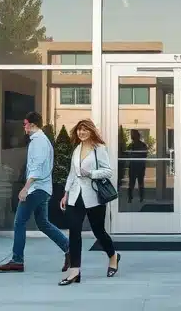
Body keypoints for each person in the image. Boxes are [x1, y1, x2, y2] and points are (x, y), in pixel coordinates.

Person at [0, 111, 70, 273]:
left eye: (25, 124)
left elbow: (36, 167)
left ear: (32, 125)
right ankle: (70, 249)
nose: (24, 127)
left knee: (19, 222)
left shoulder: (39, 142)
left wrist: (26, 188)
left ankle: (17, 260)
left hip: (36, 189)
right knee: (43, 223)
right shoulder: (41, 140)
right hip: (42, 189)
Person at [58, 119, 120, 286]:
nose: (82, 132)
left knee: (98, 231)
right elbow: (72, 173)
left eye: (85, 129)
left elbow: (108, 172)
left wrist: (91, 173)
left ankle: (113, 256)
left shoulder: (99, 149)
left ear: (91, 131)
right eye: (79, 129)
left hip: (94, 196)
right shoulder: (77, 149)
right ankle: (74, 271)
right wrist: (65, 194)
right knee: (74, 231)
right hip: (75, 195)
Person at [126, 129, 148, 202]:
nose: (132, 137)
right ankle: (130, 198)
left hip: (139, 166)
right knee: (132, 183)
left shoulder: (142, 145)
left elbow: (144, 154)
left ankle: (140, 197)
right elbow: (127, 154)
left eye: (133, 135)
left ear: (137, 136)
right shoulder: (131, 145)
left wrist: (133, 155)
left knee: (139, 182)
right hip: (134, 166)